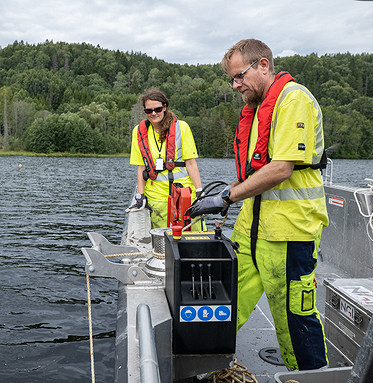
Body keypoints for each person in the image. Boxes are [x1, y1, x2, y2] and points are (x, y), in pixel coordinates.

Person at [189, 39, 329, 370]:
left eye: (239, 76)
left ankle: (309, 377)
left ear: (263, 65)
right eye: (232, 79)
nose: (236, 85)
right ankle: (197, 364)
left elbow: (281, 169)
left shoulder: (293, 99)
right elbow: (258, 170)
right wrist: (227, 191)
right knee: (225, 302)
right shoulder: (257, 110)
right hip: (252, 231)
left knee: (294, 317)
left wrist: (225, 198)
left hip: (289, 233)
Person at [126, 89, 203, 229]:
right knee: (163, 243)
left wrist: (199, 191)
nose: (154, 113)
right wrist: (140, 196)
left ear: (165, 107)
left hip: (184, 196)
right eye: (149, 111)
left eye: (158, 109)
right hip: (156, 199)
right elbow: (141, 167)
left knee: (192, 239)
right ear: (144, 112)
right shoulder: (138, 131)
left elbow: (191, 163)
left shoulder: (182, 127)